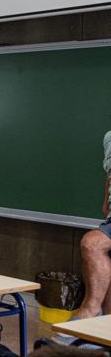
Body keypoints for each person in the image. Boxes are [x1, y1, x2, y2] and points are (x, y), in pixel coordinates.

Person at [73, 129, 111, 320]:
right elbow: (109, 173)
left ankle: (91, 308)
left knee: (92, 243)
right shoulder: (109, 137)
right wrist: (107, 202)